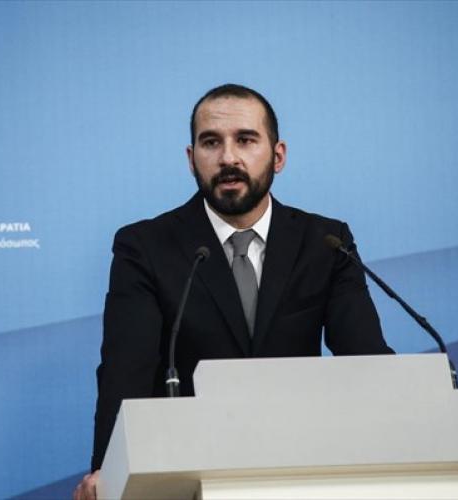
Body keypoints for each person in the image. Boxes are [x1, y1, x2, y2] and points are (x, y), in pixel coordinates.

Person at [73, 84, 393, 500]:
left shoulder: (327, 243)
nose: (228, 158)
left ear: (278, 155)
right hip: (186, 471)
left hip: (301, 468)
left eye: (245, 140)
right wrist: (108, 470)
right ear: (191, 159)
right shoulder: (145, 247)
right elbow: (125, 370)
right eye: (211, 142)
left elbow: (366, 359)